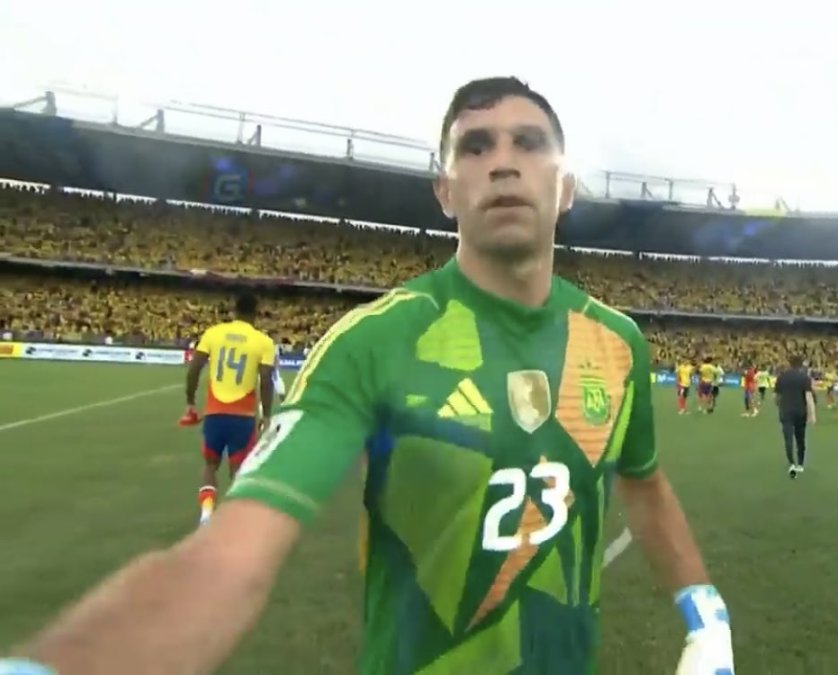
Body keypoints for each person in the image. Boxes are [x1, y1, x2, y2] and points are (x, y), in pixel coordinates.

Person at [1, 77, 733, 675]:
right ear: (446, 191)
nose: (503, 162)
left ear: (565, 186)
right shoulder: (371, 343)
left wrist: (706, 614)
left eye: (529, 143)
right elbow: (227, 559)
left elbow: (645, 481)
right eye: (474, 147)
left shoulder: (617, 342)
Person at [178, 293, 276, 526]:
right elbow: (266, 379)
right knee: (238, 470)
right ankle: (235, 519)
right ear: (256, 313)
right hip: (243, 416)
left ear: (234, 310)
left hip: (214, 412)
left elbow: (194, 368)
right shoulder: (263, 341)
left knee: (210, 465)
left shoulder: (214, 333)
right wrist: (267, 413)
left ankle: (207, 513)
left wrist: (190, 400)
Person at [775, 355, 817, 477]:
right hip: (800, 411)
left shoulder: (782, 377)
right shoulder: (804, 378)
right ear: (801, 364)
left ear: (789, 363)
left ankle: (791, 463)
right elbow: (808, 397)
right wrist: (812, 414)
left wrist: (778, 403)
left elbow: (776, 397)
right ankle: (800, 464)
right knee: (800, 438)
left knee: (788, 438)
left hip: (786, 411)